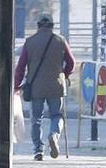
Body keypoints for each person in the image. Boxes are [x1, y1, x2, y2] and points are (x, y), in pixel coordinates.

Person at [15, 15, 74, 160]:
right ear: (52, 26)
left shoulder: (30, 42)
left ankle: (38, 150)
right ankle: (54, 135)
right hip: (56, 85)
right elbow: (71, 62)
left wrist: (16, 84)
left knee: (36, 119)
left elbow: (21, 66)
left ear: (38, 25)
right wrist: (65, 74)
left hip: (36, 87)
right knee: (56, 115)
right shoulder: (60, 41)